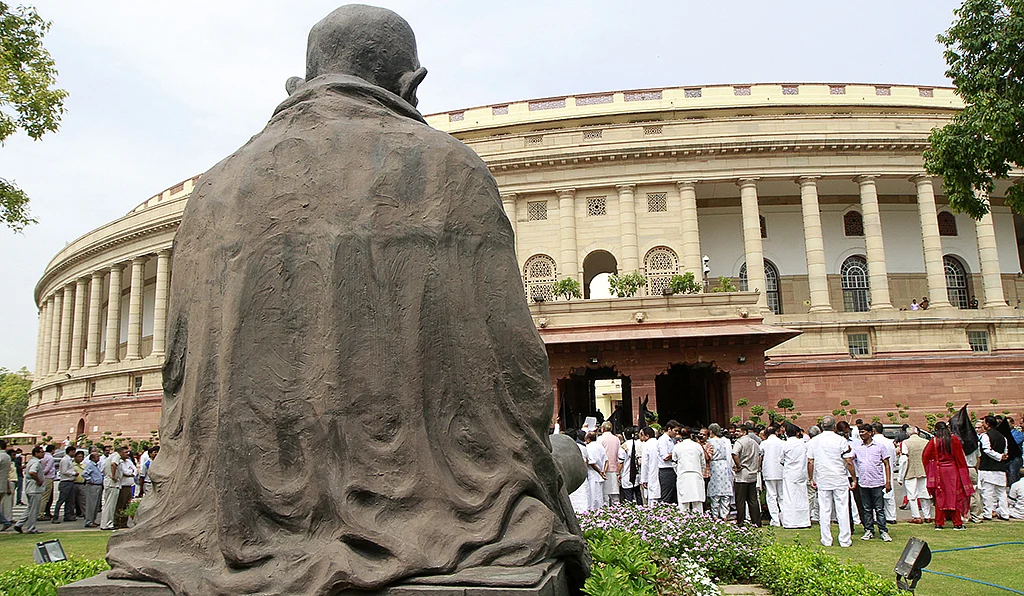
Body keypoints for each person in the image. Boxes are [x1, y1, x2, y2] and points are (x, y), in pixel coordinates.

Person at [808, 416, 856, 547]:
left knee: (825, 509)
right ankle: (845, 539)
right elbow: (848, 461)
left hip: (823, 478)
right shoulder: (840, 440)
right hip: (839, 477)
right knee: (842, 508)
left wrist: (811, 478)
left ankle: (826, 539)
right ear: (834, 426)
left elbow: (810, 461)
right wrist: (854, 478)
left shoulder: (814, 441)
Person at [923, 421, 974, 530]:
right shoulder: (954, 440)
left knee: (940, 496)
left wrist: (931, 467)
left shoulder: (934, 441)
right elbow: (960, 456)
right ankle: (957, 523)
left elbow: (925, 456)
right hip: (953, 471)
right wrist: (963, 471)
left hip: (939, 471)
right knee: (954, 496)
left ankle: (939, 523)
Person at [851, 424, 892, 542]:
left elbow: (886, 464)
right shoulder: (857, 447)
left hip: (877, 482)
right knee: (866, 508)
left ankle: (883, 530)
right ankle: (868, 529)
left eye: (863, 432)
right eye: (860, 432)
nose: (861, 434)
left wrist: (888, 481)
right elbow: (850, 458)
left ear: (870, 432)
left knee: (879, 508)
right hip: (864, 482)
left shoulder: (880, 447)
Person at [979, 415, 1011, 520]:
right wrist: (1002, 456)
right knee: (1001, 493)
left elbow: (986, 449)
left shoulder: (985, 436)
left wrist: (998, 456)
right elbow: (1005, 451)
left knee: (988, 492)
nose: (983, 425)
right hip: (1000, 468)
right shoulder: (1003, 437)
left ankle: (988, 513)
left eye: (984, 422)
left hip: (988, 468)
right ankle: (1004, 513)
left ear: (987, 424)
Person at [899, 426, 932, 524]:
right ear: (918, 433)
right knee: (925, 494)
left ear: (908, 434)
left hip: (911, 471)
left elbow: (904, 461)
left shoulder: (905, 443)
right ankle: (927, 516)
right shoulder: (926, 442)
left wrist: (901, 477)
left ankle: (916, 516)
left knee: (912, 495)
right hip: (924, 471)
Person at [779, 423, 810, 528]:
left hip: (790, 473)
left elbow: (781, 459)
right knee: (802, 496)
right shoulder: (803, 443)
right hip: (801, 472)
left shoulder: (785, 444)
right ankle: (804, 521)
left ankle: (791, 521)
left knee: (789, 497)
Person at [732, 422, 761, 527]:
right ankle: (756, 521)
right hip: (752, 473)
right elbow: (759, 455)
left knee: (740, 500)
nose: (736, 433)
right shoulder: (754, 442)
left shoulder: (739, 442)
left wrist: (738, 466)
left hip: (742, 474)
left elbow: (734, 453)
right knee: (753, 499)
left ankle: (741, 522)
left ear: (744, 432)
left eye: (738, 431)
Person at [672, 427, 706, 512]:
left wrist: (679, 472)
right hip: (696, 475)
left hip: (683, 475)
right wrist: (699, 471)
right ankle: (700, 523)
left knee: (683, 504)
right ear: (691, 435)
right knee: (697, 504)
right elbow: (703, 463)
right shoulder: (697, 446)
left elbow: (674, 463)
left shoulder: (677, 447)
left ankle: (684, 522)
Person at [13, 445, 45, 534]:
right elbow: (32, 472)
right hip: (34, 488)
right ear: (36, 453)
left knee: (30, 508)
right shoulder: (36, 463)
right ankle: (31, 528)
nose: (43, 454)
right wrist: (38, 480)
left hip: (30, 488)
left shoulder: (31, 461)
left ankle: (19, 524)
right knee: (34, 509)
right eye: (41, 452)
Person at [871, 422, 898, 525]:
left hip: (876, 470)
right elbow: (894, 457)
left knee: (874, 495)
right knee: (889, 495)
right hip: (888, 469)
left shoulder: (873, 442)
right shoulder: (889, 442)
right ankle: (891, 516)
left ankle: (875, 516)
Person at [760, 424, 785, 527]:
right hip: (780, 471)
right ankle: (784, 518)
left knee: (771, 496)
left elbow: (760, 456)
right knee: (782, 496)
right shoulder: (782, 443)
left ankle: (775, 520)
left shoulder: (764, 443)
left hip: (769, 471)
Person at [706, 424, 733, 519]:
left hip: (714, 465)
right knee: (725, 493)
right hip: (725, 465)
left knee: (715, 493)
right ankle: (725, 514)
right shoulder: (725, 441)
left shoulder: (709, 442)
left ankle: (715, 515)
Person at [51, 445, 79, 523]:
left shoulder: (70, 460)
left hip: (70, 481)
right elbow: (64, 471)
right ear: (70, 452)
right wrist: (73, 473)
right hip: (65, 481)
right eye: (73, 451)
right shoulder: (65, 460)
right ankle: (55, 516)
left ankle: (68, 515)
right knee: (61, 499)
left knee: (70, 500)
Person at [100, 446, 125, 531]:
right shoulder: (116, 456)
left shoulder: (109, 457)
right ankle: (108, 524)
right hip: (112, 483)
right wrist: (114, 476)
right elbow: (113, 464)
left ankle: (105, 523)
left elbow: (103, 469)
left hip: (108, 481)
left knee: (107, 504)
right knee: (111, 505)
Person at [657, 421, 680, 504]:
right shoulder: (663, 440)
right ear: (669, 429)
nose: (676, 433)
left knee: (673, 496)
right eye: (675, 431)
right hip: (666, 469)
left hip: (672, 469)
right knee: (666, 495)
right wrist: (676, 451)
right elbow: (665, 457)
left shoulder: (671, 440)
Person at [598, 422, 621, 506]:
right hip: (614, 467)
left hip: (604, 468)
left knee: (605, 494)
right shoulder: (616, 439)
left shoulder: (600, 439)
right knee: (614, 493)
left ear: (603, 429)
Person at [584, 432, 607, 512]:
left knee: (593, 496)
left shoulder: (589, 447)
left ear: (588, 439)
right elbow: (606, 460)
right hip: (600, 474)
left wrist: (600, 472)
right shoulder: (600, 446)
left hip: (593, 473)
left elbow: (592, 463)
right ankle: (600, 511)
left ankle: (594, 512)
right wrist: (604, 471)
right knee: (599, 495)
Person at [620, 427, 643, 505]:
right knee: (638, 495)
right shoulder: (639, 443)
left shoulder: (624, 446)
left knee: (628, 497)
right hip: (638, 474)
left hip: (626, 474)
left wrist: (618, 473)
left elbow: (620, 462)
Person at [81, 451, 104, 528]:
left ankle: (93, 520)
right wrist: (91, 480)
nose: (99, 458)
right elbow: (84, 473)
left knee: (96, 505)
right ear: (93, 458)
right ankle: (89, 521)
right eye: (97, 456)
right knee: (91, 504)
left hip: (98, 486)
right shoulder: (90, 465)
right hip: (93, 486)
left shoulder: (95, 465)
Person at [639, 426, 661, 505]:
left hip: (651, 473)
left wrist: (643, 479)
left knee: (652, 498)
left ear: (647, 436)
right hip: (660, 471)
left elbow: (645, 463)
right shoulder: (658, 443)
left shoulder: (646, 445)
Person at [805, 425, 821, 522]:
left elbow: (809, 460)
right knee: (822, 495)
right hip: (820, 471)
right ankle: (819, 515)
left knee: (810, 495)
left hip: (811, 471)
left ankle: (809, 515)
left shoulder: (807, 444)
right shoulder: (821, 443)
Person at [39, 444, 55, 521]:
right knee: (45, 497)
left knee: (43, 496)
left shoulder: (43, 457)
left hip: (43, 477)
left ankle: (42, 512)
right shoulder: (50, 458)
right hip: (48, 477)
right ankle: (41, 513)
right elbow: (47, 469)